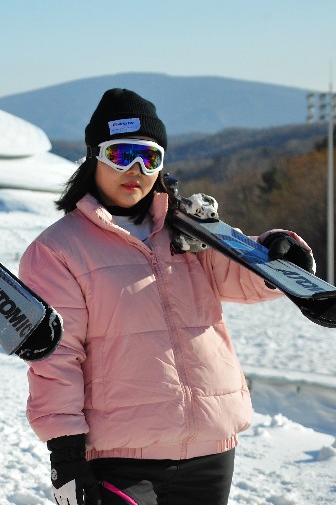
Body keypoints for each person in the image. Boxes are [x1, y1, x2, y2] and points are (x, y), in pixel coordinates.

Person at [18, 88, 316, 505]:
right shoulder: (57, 251)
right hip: (121, 454)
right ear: (93, 157)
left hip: (210, 448)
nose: (136, 169)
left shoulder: (190, 231)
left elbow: (243, 278)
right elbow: (56, 358)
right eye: (121, 155)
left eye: (150, 157)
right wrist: (66, 457)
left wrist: (278, 255)